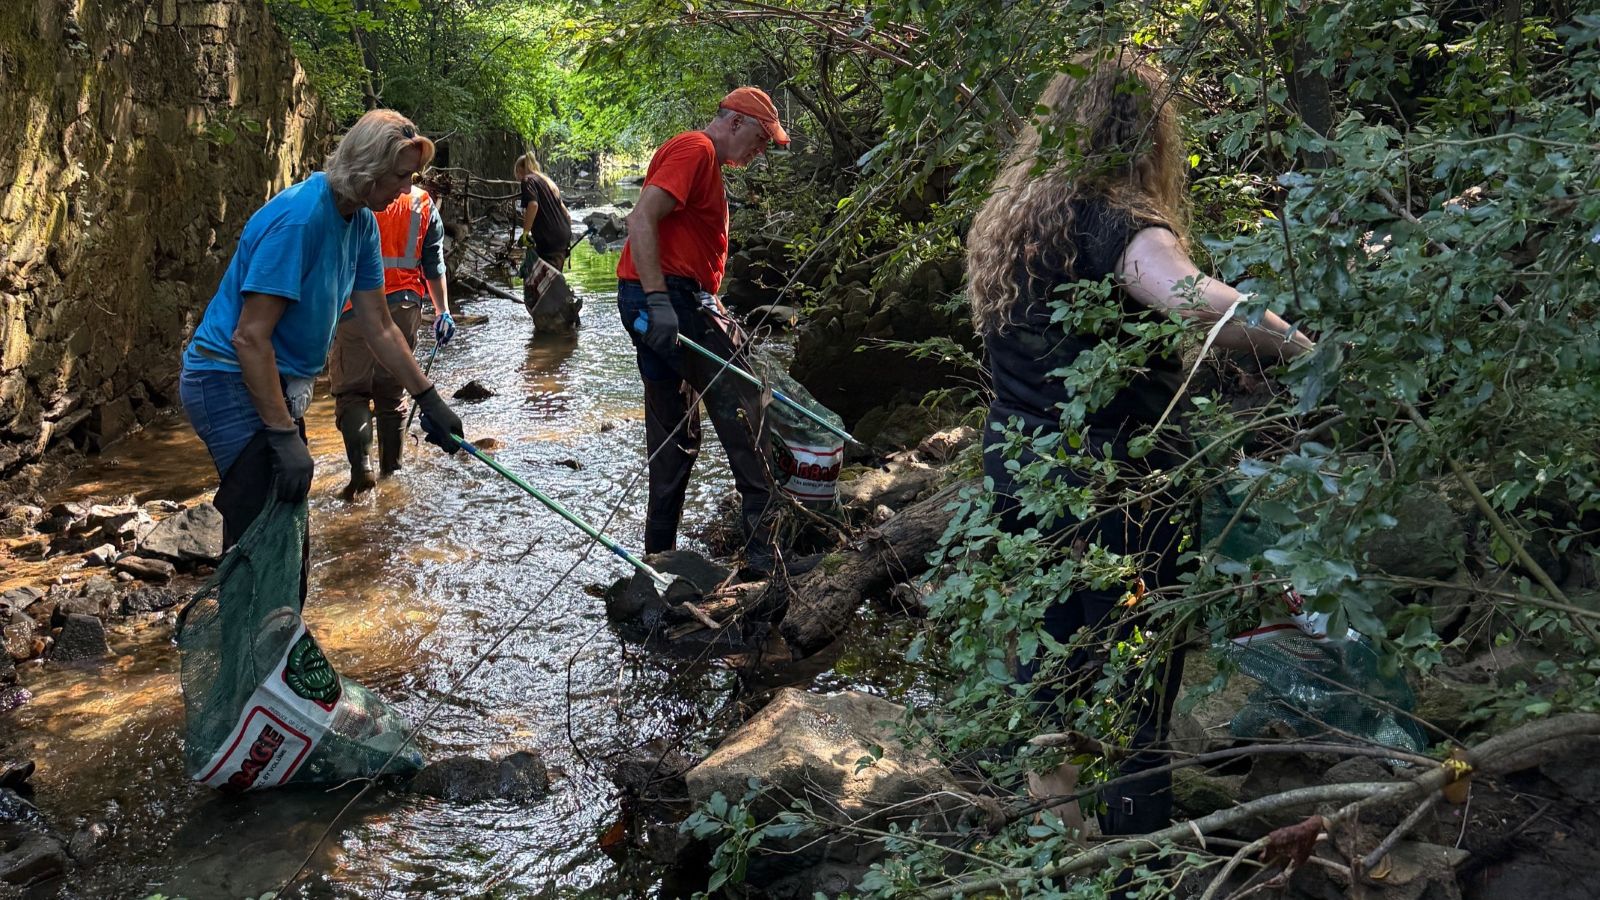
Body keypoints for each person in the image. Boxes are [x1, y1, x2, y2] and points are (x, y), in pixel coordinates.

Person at [965, 52, 1313, 855]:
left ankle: (1063, 843)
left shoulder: (1016, 216)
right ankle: (1133, 864)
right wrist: (1307, 347)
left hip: (1020, 462)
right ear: (1147, 133)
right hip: (1118, 484)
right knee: (1135, 685)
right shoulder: (1117, 222)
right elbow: (1195, 299)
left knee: (1052, 664)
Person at [179, 109, 465, 553]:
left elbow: (380, 326)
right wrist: (281, 435)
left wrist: (429, 398)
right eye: (401, 176)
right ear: (368, 170)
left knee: (287, 524)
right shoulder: (300, 220)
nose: (408, 188)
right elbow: (249, 337)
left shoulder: (363, 222)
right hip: (226, 378)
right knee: (267, 527)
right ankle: (259, 619)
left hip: (275, 379)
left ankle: (278, 619)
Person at [616, 87, 789, 575]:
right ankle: (763, 559)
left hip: (659, 300)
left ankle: (656, 560)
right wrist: (658, 301)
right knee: (747, 408)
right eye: (759, 138)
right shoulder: (696, 149)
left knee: (674, 433)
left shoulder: (704, 159)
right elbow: (641, 218)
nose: (760, 151)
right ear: (734, 122)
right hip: (671, 299)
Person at [328, 180, 455, 500]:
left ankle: (362, 472)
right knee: (392, 391)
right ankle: (393, 472)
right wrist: (443, 311)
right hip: (405, 305)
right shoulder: (423, 204)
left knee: (352, 391)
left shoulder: (357, 194)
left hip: (353, 304)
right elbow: (434, 265)